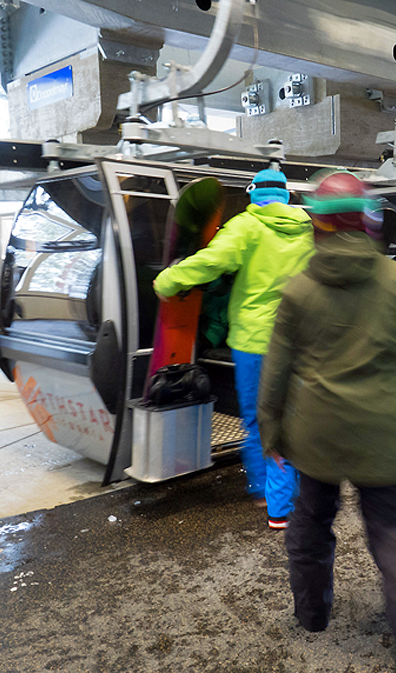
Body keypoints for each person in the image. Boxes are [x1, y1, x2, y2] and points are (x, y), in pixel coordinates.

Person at [257, 171, 396, 673]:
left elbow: (277, 370)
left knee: (311, 522)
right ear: (366, 221)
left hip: (316, 433)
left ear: (317, 226)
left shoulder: (298, 290)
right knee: (395, 538)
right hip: (383, 432)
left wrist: (270, 430)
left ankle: (312, 613)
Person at [154, 168, 314, 529]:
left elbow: (212, 261)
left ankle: (273, 502)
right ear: (286, 195)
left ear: (254, 193)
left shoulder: (246, 226)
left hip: (255, 342)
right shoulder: (307, 228)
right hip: (299, 342)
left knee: (259, 420)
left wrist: (168, 279)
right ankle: (292, 492)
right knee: (294, 419)